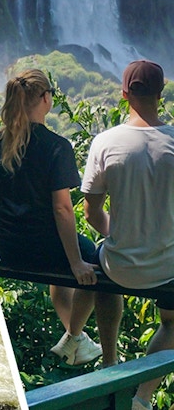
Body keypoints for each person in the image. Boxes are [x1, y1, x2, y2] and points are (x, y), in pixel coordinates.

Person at [0, 69, 101, 365]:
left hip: (10, 248)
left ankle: (77, 340)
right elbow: (62, 209)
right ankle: (74, 337)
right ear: (46, 98)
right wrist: (75, 261)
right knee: (96, 260)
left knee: (63, 280)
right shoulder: (57, 146)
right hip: (47, 249)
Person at [82, 60, 174, 409]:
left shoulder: (105, 142)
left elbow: (90, 213)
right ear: (161, 93)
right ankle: (143, 397)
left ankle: (110, 365)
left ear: (124, 94)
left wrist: (118, 235)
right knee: (172, 323)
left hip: (119, 263)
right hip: (167, 265)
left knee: (101, 271)